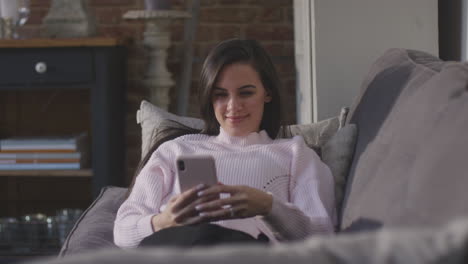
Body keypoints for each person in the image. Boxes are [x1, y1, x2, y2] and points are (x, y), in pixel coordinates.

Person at [114, 39, 336, 249]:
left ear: (267, 93)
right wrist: (165, 221)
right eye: (220, 95)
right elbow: (122, 232)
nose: (233, 106)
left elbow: (321, 235)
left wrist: (268, 206)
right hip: (175, 247)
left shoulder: (295, 154)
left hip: (244, 252)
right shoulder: (175, 150)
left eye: (246, 93)